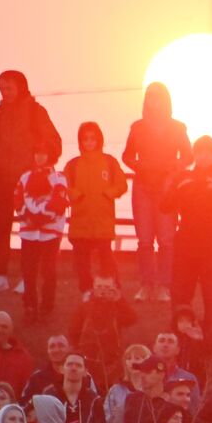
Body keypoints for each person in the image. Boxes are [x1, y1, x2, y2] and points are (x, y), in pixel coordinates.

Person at [0, 71, 62, 294]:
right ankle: (0, 275)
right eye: (1, 88)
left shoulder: (36, 112)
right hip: (3, 177)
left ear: (21, 87)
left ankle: (29, 277)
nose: (4, 93)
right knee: (1, 226)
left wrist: (41, 164)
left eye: (9, 88)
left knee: (32, 229)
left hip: (30, 182)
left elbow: (54, 142)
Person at [122, 82, 192, 302]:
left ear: (167, 100)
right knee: (144, 240)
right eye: (152, 97)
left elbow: (188, 156)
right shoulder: (138, 127)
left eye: (160, 97)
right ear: (146, 101)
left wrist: (174, 168)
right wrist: (139, 166)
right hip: (143, 185)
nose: (156, 101)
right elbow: (127, 156)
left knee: (166, 240)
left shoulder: (178, 127)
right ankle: (146, 284)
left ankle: (164, 285)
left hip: (167, 188)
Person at [165, 136, 212, 321]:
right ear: (194, 155)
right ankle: (180, 339)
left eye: (208, 152)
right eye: (199, 152)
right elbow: (164, 206)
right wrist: (177, 189)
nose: (203, 157)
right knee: (180, 295)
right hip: (186, 244)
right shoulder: (184, 177)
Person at [63, 122, 126, 297]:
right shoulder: (73, 165)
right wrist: (74, 195)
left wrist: (109, 193)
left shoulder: (110, 162)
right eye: (85, 139)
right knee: (82, 263)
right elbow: (63, 186)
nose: (89, 142)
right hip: (80, 221)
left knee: (107, 259)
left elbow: (121, 184)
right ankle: (86, 291)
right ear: (80, 141)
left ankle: (112, 288)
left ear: (99, 140)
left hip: (102, 221)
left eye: (93, 138)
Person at [14, 141, 68, 321]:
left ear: (51, 155)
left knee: (48, 271)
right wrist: (27, 217)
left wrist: (41, 218)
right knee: (28, 271)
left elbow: (59, 204)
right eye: (36, 152)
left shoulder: (59, 178)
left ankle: (47, 307)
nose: (40, 157)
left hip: (50, 232)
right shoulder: (24, 176)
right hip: (28, 232)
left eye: (44, 153)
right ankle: (30, 306)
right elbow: (18, 200)